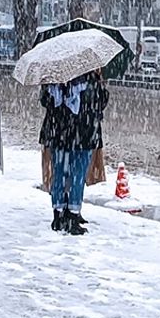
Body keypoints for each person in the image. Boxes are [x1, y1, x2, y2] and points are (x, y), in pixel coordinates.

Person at [40, 69, 109, 235]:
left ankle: (58, 215)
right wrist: (101, 85)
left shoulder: (53, 78)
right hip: (82, 135)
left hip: (59, 134)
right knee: (77, 175)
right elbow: (99, 102)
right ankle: (72, 215)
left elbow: (45, 101)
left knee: (60, 173)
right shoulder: (90, 79)